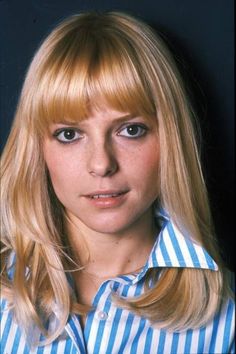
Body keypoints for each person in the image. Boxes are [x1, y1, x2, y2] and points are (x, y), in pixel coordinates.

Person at [0, 11, 234, 354]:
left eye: (131, 130)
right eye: (69, 134)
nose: (101, 164)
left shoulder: (226, 320)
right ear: (37, 149)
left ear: (170, 139)